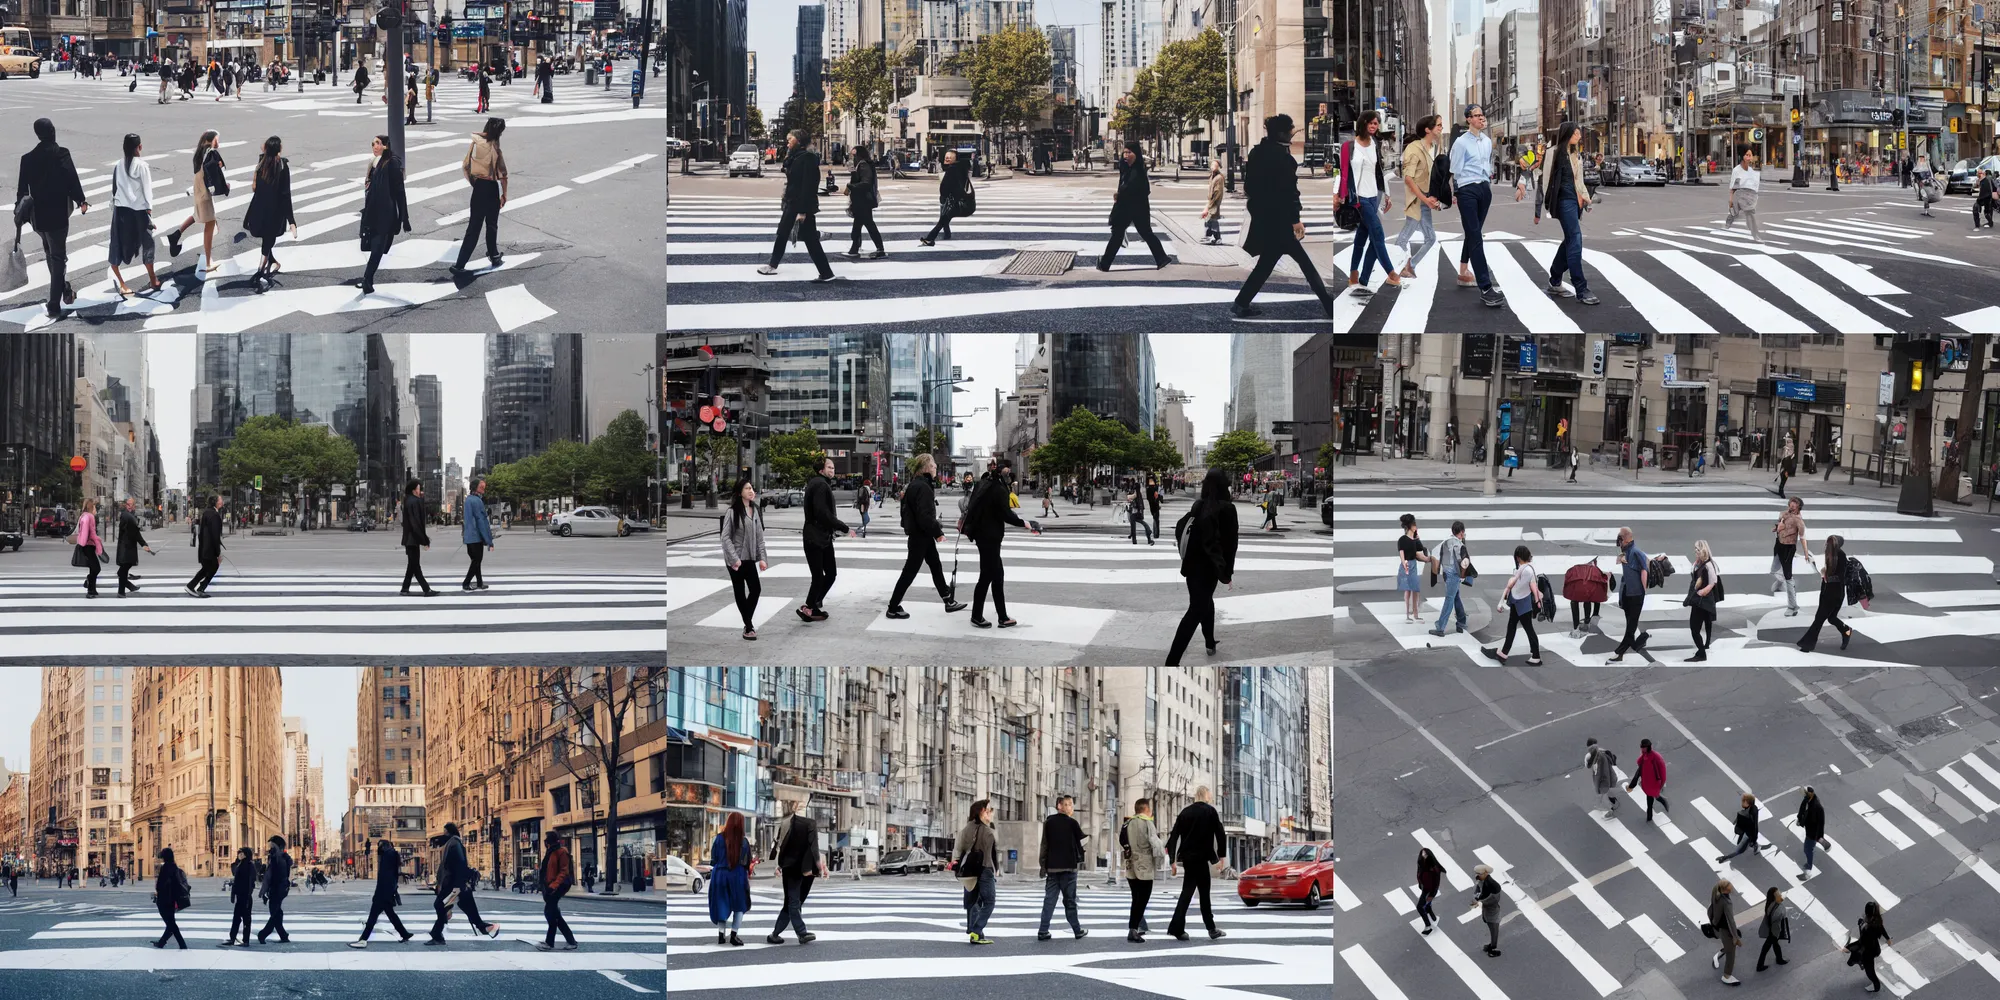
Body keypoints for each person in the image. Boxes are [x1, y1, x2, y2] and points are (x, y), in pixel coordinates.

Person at [1232, 114, 1333, 318]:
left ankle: (1241, 302)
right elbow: (1289, 192)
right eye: (1291, 130)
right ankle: (1328, 306)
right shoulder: (1283, 158)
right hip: (1282, 223)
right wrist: (1295, 219)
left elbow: (1250, 187)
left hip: (1266, 220)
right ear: (1281, 133)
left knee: (1266, 266)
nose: (1293, 133)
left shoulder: (1257, 152)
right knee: (1306, 265)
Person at [17, 118, 90, 319]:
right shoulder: (61, 153)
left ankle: (64, 288)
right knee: (57, 256)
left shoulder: (27, 158)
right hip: (58, 216)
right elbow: (72, 179)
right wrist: (81, 200)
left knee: (51, 253)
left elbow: (22, 191)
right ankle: (53, 304)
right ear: (52, 131)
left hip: (38, 218)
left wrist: (20, 214)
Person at [1166, 468, 1237, 665]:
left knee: (1204, 602)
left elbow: (1182, 527)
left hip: (1192, 566)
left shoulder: (1199, 505)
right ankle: (1172, 661)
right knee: (1197, 609)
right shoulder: (1227, 509)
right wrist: (1227, 573)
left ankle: (1209, 642)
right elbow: (1230, 545)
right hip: (1209, 568)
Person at [961, 457, 1039, 629]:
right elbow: (1006, 514)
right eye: (1009, 471)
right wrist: (1025, 523)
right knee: (987, 576)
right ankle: (976, 616)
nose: (1010, 475)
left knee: (997, 576)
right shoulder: (998, 488)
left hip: (984, 536)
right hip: (990, 537)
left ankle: (1002, 617)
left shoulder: (985, 482)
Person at [886, 454, 966, 619]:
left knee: (935, 565)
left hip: (921, 535)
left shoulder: (915, 485)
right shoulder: (923, 487)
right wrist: (938, 532)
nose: (936, 468)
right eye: (934, 465)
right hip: (920, 536)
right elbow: (924, 516)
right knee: (910, 571)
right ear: (927, 467)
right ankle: (893, 607)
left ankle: (947, 600)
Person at [757, 130, 834, 281]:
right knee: (783, 233)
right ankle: (773, 265)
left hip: (800, 204)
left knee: (809, 239)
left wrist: (803, 211)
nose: (787, 142)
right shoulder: (795, 156)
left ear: (798, 140)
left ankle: (826, 273)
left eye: (790, 139)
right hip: (792, 202)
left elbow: (808, 186)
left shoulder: (808, 158)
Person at [1338, 111, 1399, 293]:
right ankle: (1391, 272)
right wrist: (1340, 197)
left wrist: (1387, 194)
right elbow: (1343, 174)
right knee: (1378, 234)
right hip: (1359, 198)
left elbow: (1379, 170)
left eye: (1376, 123)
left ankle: (1358, 277)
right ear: (1363, 123)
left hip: (1374, 195)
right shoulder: (1349, 147)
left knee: (1364, 236)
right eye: (1371, 123)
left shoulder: (1375, 143)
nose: (1374, 126)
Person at [1451, 105, 1503, 308]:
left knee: (1474, 233)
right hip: (1467, 189)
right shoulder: (1461, 143)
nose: (1482, 118)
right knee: (1474, 235)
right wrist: (1456, 193)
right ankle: (1485, 287)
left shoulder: (1488, 141)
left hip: (1484, 188)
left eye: (1483, 115)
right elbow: (1455, 169)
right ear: (1468, 119)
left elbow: (1488, 165)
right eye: (1477, 115)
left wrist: (1487, 183)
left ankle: (1463, 272)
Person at [1540, 123, 1598, 304]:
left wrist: (1586, 199)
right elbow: (1546, 180)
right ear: (1567, 134)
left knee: (1570, 240)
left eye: (1579, 132)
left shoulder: (1576, 154)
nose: (1579, 135)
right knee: (1575, 238)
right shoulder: (1553, 152)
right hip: (1563, 201)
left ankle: (1555, 277)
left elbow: (1578, 180)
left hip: (1576, 201)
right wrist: (1547, 203)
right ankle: (1581, 288)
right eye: (1576, 132)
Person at [1164, 785, 1226, 941]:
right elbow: (1220, 834)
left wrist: (1172, 860)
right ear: (1206, 795)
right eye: (1209, 793)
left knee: (1187, 892)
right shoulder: (1210, 811)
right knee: (1204, 894)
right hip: (1201, 858)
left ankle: (1177, 928)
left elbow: (1174, 835)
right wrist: (1221, 857)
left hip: (1188, 859)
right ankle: (1211, 929)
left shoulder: (1185, 812)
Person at [449, 118, 509, 276]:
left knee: (473, 227)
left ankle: (460, 264)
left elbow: (465, 165)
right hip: (491, 188)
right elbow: (503, 174)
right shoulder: (495, 146)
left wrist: (474, 182)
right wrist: (504, 194)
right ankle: (494, 256)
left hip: (479, 188)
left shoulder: (476, 142)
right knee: (491, 225)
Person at [1095, 142, 1169, 270]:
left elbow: (1136, 188)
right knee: (1123, 234)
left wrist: (1120, 194)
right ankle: (1161, 258)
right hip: (1128, 207)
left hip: (1135, 207)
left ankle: (1105, 264)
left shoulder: (1138, 170)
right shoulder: (1125, 168)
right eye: (1125, 152)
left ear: (1136, 154)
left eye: (1129, 152)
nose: (1126, 155)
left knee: (1138, 233)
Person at [426, 822, 501, 945]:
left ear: (449, 832)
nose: (443, 834)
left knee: (440, 905)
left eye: (445, 832)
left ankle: (438, 935)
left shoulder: (454, 844)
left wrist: (457, 885)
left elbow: (460, 865)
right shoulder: (453, 843)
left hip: (454, 886)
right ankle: (486, 928)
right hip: (457, 885)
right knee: (466, 907)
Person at [107, 133, 163, 297]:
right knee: (147, 243)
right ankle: (153, 279)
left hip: (121, 211)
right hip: (139, 211)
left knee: (116, 244)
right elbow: (147, 191)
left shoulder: (118, 164)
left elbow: (114, 189)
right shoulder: (142, 165)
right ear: (139, 147)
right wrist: (149, 212)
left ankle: (122, 283)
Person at [356, 135, 411, 295]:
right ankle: (368, 279)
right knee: (376, 246)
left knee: (378, 246)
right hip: (374, 209)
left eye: (378, 143)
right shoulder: (377, 162)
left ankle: (367, 278)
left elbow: (400, 192)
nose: (374, 146)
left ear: (386, 146)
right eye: (373, 143)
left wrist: (404, 217)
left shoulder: (393, 163)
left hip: (385, 212)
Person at [766, 800, 825, 944]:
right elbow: (814, 847)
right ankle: (801, 932)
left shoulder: (786, 823)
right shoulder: (809, 824)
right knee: (794, 902)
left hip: (792, 867)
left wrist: (779, 864)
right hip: (802, 869)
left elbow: (779, 845)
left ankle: (775, 934)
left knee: (791, 903)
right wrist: (819, 866)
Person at [241, 135, 297, 289]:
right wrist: (291, 220)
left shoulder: (262, 164)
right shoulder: (282, 167)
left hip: (259, 209)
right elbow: (286, 194)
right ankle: (260, 273)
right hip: (275, 212)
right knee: (268, 242)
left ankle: (271, 263)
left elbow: (255, 188)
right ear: (279, 149)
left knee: (267, 239)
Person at [798, 457, 849, 622]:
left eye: (833, 467)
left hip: (821, 537)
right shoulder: (820, 485)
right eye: (829, 467)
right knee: (821, 575)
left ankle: (813, 604)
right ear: (821, 470)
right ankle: (809, 607)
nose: (832, 470)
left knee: (829, 573)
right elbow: (822, 513)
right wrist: (843, 527)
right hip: (816, 537)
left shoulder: (819, 483)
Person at [1394, 115, 1444, 278]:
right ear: (1427, 129)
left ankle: (1409, 266)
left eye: (1441, 125)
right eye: (1438, 125)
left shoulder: (1434, 148)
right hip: (1417, 201)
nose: (1440, 128)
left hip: (1426, 199)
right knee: (1404, 238)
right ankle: (1395, 268)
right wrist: (1425, 200)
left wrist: (1435, 198)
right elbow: (1408, 179)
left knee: (1430, 238)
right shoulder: (1414, 149)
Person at [1035, 794, 1090, 941]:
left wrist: (1043, 865)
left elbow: (1044, 845)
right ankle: (1077, 930)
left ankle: (1043, 930)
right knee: (1070, 901)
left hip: (1052, 868)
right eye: (1067, 804)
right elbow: (1084, 841)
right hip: (1069, 868)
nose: (1070, 807)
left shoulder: (1048, 823)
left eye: (1071, 804)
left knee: (1049, 900)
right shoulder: (1072, 823)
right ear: (1059, 806)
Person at [1481, 544, 1544, 665]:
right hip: (1520, 604)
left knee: (1527, 628)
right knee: (1512, 627)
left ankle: (1535, 656)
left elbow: (1515, 587)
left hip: (1522, 604)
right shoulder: (1528, 568)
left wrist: (1503, 601)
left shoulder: (1525, 570)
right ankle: (1503, 653)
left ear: (1518, 557)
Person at [348, 838, 413, 947]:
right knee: (390, 915)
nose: (379, 849)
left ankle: (363, 939)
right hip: (388, 890)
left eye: (380, 846)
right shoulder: (392, 854)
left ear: (384, 846)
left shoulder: (388, 856)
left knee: (373, 916)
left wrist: (378, 893)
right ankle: (404, 934)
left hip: (383, 892)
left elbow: (384, 876)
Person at [953, 799, 1000, 945]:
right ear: (981, 812)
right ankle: (977, 929)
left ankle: (974, 932)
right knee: (989, 901)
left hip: (969, 869)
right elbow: (992, 853)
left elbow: (958, 848)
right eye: (988, 810)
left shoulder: (965, 829)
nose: (991, 813)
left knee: (973, 900)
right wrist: (996, 869)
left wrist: (955, 863)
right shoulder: (988, 831)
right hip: (985, 869)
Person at [1797, 533, 1854, 652]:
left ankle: (1807, 644)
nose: (1826, 544)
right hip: (1826, 591)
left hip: (1835, 594)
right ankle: (1846, 630)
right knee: (1831, 618)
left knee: (1819, 619)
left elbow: (1840, 577)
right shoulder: (1830, 554)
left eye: (1830, 543)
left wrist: (1826, 575)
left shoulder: (1840, 556)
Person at [1121, 798, 1164, 942]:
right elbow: (1156, 845)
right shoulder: (1147, 823)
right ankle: (1133, 929)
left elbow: (1122, 841)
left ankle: (1137, 927)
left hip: (1130, 864)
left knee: (1136, 898)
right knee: (1143, 898)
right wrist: (1159, 862)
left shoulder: (1127, 823)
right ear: (1146, 809)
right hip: (1144, 864)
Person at [707, 813, 752, 946]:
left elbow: (713, 859)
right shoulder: (743, 842)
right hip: (737, 875)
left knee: (721, 903)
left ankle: (721, 934)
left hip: (719, 874)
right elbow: (746, 862)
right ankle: (734, 934)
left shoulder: (718, 839)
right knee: (739, 905)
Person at [1608, 527, 1652, 662]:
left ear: (1625, 539)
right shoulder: (1626, 551)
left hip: (1636, 595)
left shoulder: (1636, 552)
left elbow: (1645, 570)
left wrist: (1642, 592)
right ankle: (1640, 640)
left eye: (1620, 539)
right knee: (1629, 624)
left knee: (1631, 627)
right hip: (1627, 594)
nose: (1618, 542)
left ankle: (1619, 653)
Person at [535, 831, 577, 952]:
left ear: (550, 841)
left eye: (547, 839)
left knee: (550, 913)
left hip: (557, 887)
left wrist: (554, 885)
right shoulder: (551, 852)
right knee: (554, 914)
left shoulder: (561, 852)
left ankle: (549, 943)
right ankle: (571, 941)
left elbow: (564, 871)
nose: (545, 841)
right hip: (549, 886)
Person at [1428, 520, 1471, 637]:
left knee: (1449, 600)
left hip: (1448, 574)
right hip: (1455, 575)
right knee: (1454, 598)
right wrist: (1462, 576)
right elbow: (1464, 563)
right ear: (1461, 532)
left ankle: (1440, 627)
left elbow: (1436, 555)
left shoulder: (1446, 541)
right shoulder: (1460, 545)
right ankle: (1461, 622)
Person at [398, 479, 438, 596]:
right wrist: (424, 540)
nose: (420, 490)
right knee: (415, 565)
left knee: (412, 565)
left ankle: (405, 588)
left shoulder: (409, 501)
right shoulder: (414, 502)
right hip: (413, 539)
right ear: (414, 489)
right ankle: (426, 589)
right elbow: (416, 523)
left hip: (410, 539)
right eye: (419, 488)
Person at [842, 152, 884, 259]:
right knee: (858, 226)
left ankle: (879, 249)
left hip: (863, 201)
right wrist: (852, 172)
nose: (851, 158)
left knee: (868, 225)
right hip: (861, 201)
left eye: (854, 155)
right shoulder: (860, 165)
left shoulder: (863, 165)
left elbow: (866, 183)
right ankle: (854, 248)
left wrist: (851, 186)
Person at [1684, 539, 1721, 662]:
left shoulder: (1709, 565)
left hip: (1703, 602)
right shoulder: (1700, 564)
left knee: (1694, 628)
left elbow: (1713, 582)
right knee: (1700, 625)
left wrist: (1704, 591)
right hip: (1699, 601)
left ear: (1703, 551)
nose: (1695, 551)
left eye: (1697, 549)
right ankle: (1703, 647)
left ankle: (1701, 653)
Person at [1771, 496, 1807, 617]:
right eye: (1790, 505)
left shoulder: (1799, 521)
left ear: (1798, 509)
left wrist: (1806, 553)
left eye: (1794, 506)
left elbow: (1802, 537)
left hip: (1788, 549)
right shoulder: (1783, 514)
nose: (1791, 508)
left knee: (1788, 576)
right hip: (1779, 545)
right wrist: (1777, 528)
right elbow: (1777, 527)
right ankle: (1780, 581)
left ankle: (1792, 606)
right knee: (1774, 569)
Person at [1845, 901, 1890, 992]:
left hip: (1868, 952)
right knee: (1859, 963)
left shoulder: (1868, 928)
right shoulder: (1876, 920)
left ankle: (1876, 987)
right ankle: (1861, 963)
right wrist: (1888, 939)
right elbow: (1881, 928)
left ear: (1866, 912)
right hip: (1873, 948)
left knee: (1870, 972)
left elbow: (1861, 942)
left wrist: (1848, 948)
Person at [150, 847, 190, 950]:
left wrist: (157, 892)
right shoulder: (175, 867)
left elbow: (159, 885)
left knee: (171, 923)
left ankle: (182, 944)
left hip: (164, 899)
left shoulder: (165, 868)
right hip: (172, 899)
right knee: (170, 922)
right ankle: (162, 942)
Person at [256, 835, 292, 944]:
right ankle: (283, 935)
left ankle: (263, 934)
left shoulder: (277, 857)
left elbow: (270, 875)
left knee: (274, 913)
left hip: (277, 888)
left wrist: (264, 890)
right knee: (277, 912)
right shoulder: (279, 857)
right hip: (281, 888)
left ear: (277, 845)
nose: (269, 846)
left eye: (271, 844)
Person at [115, 497, 154, 596]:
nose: (129, 506)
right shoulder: (128, 516)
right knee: (124, 568)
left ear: (134, 505)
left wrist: (143, 544)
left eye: (131, 504)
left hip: (127, 545)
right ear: (125, 505)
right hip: (126, 546)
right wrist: (144, 545)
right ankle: (122, 591)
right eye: (128, 504)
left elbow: (134, 532)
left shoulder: (128, 515)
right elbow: (135, 533)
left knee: (124, 568)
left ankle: (127, 588)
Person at [1715, 792, 1770, 863]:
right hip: (1745, 832)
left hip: (1747, 834)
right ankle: (1754, 845)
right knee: (1743, 844)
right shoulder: (1749, 810)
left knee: (1739, 850)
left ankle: (1725, 858)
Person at [186, 493, 223, 598]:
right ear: (216, 502)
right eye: (220, 499)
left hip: (204, 547)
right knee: (212, 567)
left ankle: (195, 586)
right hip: (210, 548)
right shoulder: (214, 515)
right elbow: (215, 535)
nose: (222, 501)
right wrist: (218, 553)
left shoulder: (206, 513)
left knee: (207, 568)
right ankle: (198, 587)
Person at [1625, 738, 1670, 822]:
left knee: (1654, 796)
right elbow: (1638, 773)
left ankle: (1660, 805)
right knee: (1650, 798)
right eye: (1641, 747)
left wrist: (1662, 784)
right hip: (1646, 782)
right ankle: (1650, 816)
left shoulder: (1656, 757)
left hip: (1654, 783)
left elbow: (1662, 771)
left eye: (1643, 747)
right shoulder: (1644, 756)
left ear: (1648, 747)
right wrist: (1632, 785)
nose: (1642, 748)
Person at [460, 478, 493, 591]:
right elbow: (481, 520)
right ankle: (466, 583)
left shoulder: (469, 499)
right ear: (475, 488)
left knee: (476, 560)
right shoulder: (477, 501)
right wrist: (488, 539)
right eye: (481, 487)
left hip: (469, 536)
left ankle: (479, 583)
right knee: (476, 561)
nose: (483, 489)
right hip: (475, 536)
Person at [1709, 879, 1742, 985]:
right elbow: (1731, 921)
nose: (1732, 888)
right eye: (1730, 887)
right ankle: (1727, 976)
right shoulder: (1726, 902)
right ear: (1726, 889)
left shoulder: (1716, 893)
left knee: (1728, 946)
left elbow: (1711, 909)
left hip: (1718, 926)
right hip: (1725, 930)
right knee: (1731, 953)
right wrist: (1736, 937)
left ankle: (1720, 953)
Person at [1726, 148, 1764, 241]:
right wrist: (1731, 199)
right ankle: (1729, 220)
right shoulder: (1737, 170)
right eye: (1746, 155)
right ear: (1742, 156)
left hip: (1749, 197)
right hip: (1739, 195)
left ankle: (1755, 235)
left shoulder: (1752, 171)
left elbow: (1755, 186)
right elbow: (1733, 187)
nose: (1748, 157)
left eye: (1750, 155)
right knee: (1735, 212)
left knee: (1750, 214)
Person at [1395, 512, 1425, 623]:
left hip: (1414, 565)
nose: (1416, 526)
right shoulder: (1402, 539)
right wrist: (1404, 565)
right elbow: (1402, 554)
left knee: (1416, 589)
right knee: (1407, 590)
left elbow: (1420, 548)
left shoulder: (1414, 540)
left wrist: (1417, 538)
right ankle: (1407, 614)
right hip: (1406, 566)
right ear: (1409, 526)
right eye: (1414, 524)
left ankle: (1415, 613)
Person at [1753, 886, 1791, 972]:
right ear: (1774, 897)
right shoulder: (1777, 910)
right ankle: (1761, 965)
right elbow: (1780, 917)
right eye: (1778, 895)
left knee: (1774, 945)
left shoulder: (1769, 904)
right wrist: (1777, 934)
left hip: (1771, 929)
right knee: (1767, 947)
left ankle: (1779, 959)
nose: (1780, 895)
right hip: (1774, 931)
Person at [1470, 863, 1503, 956]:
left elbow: (1494, 900)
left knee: (1494, 930)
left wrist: (1479, 901)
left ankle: (1492, 948)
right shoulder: (1483, 880)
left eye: (1479, 874)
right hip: (1487, 910)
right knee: (1491, 927)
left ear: (1485, 873)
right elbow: (1478, 888)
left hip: (1493, 912)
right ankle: (1492, 946)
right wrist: (1477, 898)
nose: (1477, 876)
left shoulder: (1493, 885)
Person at [74, 499, 104, 597]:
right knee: (96, 568)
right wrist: (96, 539)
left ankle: (93, 589)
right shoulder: (89, 517)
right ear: (91, 507)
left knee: (93, 568)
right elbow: (89, 532)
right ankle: (90, 588)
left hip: (87, 544)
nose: (96, 509)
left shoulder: (84, 516)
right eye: (95, 507)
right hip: (88, 545)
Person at [1797, 786, 1827, 876]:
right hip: (1810, 831)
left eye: (1805, 794)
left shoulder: (1817, 807)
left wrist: (1819, 836)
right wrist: (1799, 819)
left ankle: (1809, 866)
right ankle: (1809, 862)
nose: (1804, 796)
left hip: (1812, 833)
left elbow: (1820, 823)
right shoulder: (1808, 800)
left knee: (1807, 849)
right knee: (1808, 849)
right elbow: (1802, 809)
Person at [1585, 738, 1618, 816]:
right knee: (1609, 788)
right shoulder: (1604, 751)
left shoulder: (1589, 756)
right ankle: (1612, 799)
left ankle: (1609, 809)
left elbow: (1588, 766)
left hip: (1601, 779)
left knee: (1602, 794)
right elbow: (1613, 760)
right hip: (1609, 775)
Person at [1415, 848, 1445, 934]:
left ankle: (1428, 926)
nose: (1424, 856)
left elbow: (1436, 884)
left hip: (1429, 890)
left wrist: (1432, 895)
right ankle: (1433, 917)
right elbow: (1419, 874)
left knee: (1420, 907)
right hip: (1425, 888)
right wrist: (1420, 884)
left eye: (1426, 855)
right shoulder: (1421, 863)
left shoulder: (1434, 868)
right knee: (1427, 904)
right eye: (1422, 854)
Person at [1513, 149, 1544, 225]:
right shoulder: (1528, 158)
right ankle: (1537, 215)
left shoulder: (1530, 157)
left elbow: (1534, 165)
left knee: (1538, 197)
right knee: (1538, 197)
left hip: (1528, 175)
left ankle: (1537, 215)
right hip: (1528, 175)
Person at [1199, 159, 1225, 244]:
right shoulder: (1212, 176)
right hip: (1211, 201)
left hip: (1215, 202)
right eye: (1212, 165)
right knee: (1209, 219)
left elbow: (1218, 192)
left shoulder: (1219, 178)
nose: (1212, 166)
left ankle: (1215, 237)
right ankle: (1209, 236)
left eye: (1215, 165)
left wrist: (1210, 205)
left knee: (1212, 219)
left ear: (1218, 167)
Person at [1775, 432, 1794, 498]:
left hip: (1787, 461)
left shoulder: (1790, 446)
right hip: (1784, 462)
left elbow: (1792, 453)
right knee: (1783, 475)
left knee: (1785, 476)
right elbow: (1780, 454)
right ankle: (1781, 489)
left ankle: (1781, 489)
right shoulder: (1784, 447)